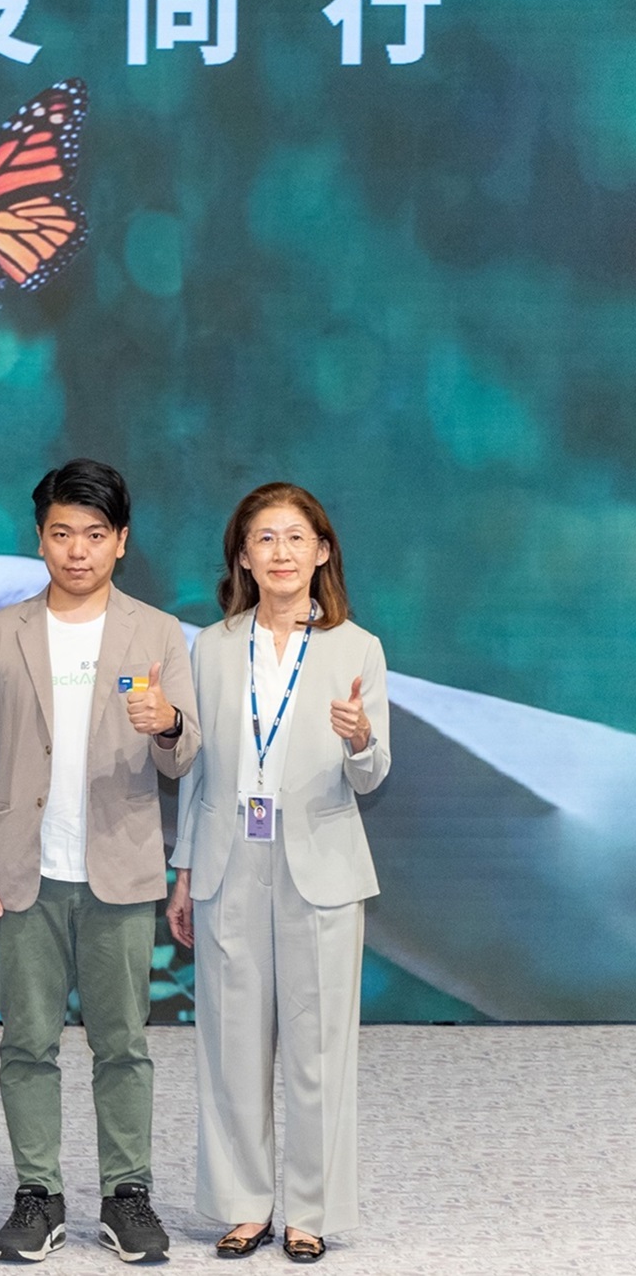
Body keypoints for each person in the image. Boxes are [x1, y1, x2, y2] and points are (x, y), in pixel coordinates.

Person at [0, 460, 197, 1264]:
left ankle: (127, 1193)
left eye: (94, 534)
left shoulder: (158, 632)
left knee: (123, 1042)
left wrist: (168, 723)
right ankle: (38, 1193)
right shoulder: (2, 632)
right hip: (24, 869)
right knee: (28, 1041)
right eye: (62, 534)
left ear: (120, 541)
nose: (77, 550)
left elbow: (183, 756)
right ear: (40, 539)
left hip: (119, 869)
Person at [168, 482, 390, 1265]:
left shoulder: (356, 647)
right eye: (265, 537)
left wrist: (360, 739)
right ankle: (243, 1204)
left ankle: (311, 1211)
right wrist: (183, 868)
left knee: (317, 1046)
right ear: (243, 555)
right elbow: (196, 769)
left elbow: (372, 774)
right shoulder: (212, 645)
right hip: (229, 856)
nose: (281, 552)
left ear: (322, 551)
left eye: (297, 537)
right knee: (232, 1042)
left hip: (320, 862)